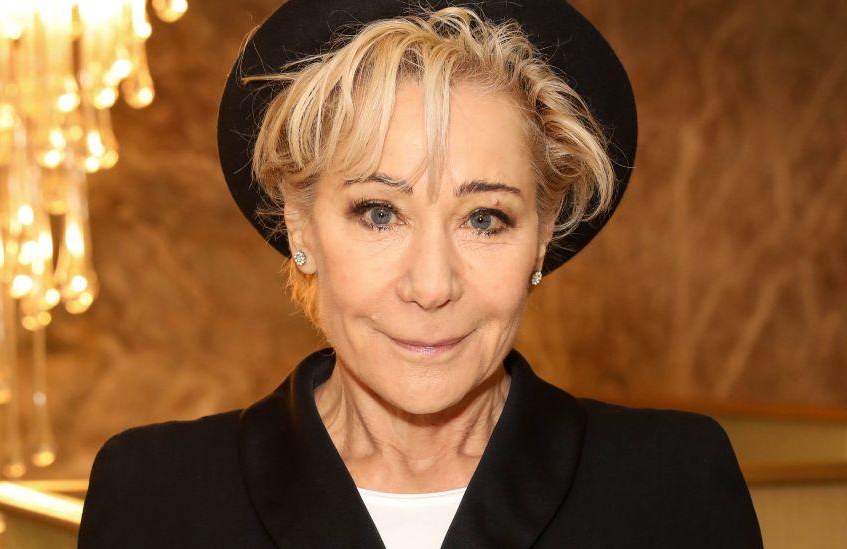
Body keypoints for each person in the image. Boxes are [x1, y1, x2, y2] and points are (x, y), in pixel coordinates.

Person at [77, 1, 764, 547]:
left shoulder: (673, 486)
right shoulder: (155, 497)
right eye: (380, 213)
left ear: (541, 237)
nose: (432, 286)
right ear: (301, 225)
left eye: (484, 219)